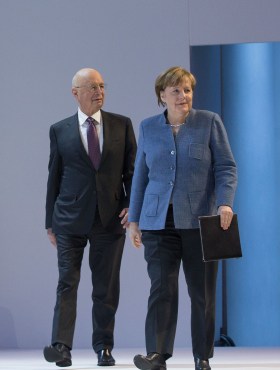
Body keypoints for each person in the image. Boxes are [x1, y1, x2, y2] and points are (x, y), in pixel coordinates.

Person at [128, 66, 237, 370]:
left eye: (187, 90)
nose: (183, 96)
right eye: (176, 90)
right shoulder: (148, 127)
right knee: (162, 289)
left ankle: (202, 356)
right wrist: (134, 220)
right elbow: (141, 176)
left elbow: (226, 167)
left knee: (201, 293)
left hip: (201, 223)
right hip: (157, 224)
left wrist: (225, 203)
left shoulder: (209, 123)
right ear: (162, 95)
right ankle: (157, 355)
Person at [43, 68, 137, 367]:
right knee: (67, 283)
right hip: (68, 218)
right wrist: (49, 222)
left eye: (102, 86)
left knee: (105, 287)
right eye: (92, 87)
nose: (99, 91)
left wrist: (130, 204)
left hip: (109, 219)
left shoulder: (122, 125)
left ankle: (104, 347)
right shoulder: (59, 129)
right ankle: (61, 346)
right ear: (75, 93)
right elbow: (53, 178)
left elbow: (132, 172)